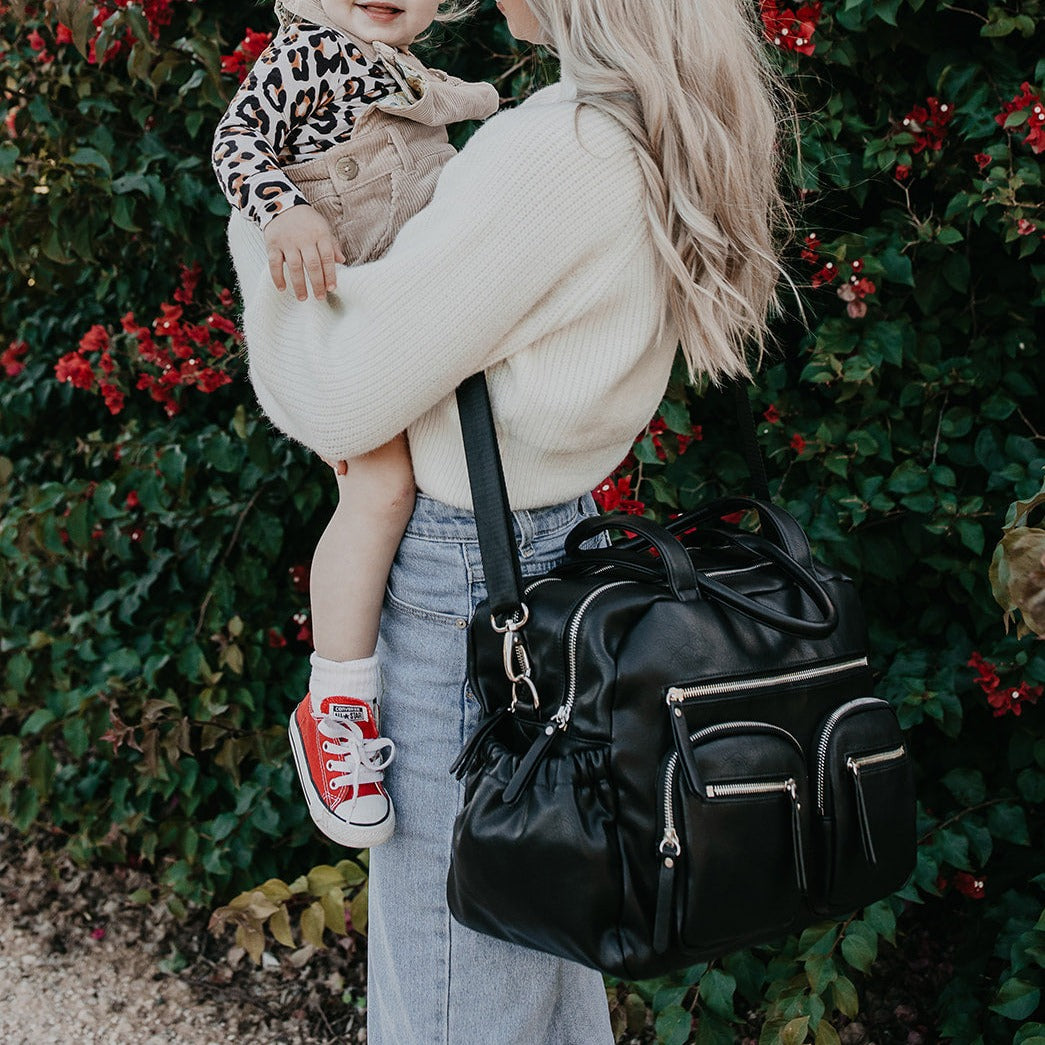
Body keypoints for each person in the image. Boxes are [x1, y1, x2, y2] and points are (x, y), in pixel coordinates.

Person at [225, 0, 791, 1038]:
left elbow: (343, 394)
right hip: (558, 557)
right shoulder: (637, 121)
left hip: (464, 577)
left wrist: (261, 227)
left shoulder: (555, 146)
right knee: (537, 949)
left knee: (456, 987)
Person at [211, 0, 498, 849]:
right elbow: (236, 142)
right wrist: (283, 210)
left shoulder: (407, 73)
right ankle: (335, 700)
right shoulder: (307, 53)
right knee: (378, 491)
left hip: (412, 322)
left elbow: (463, 108)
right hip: (350, 321)